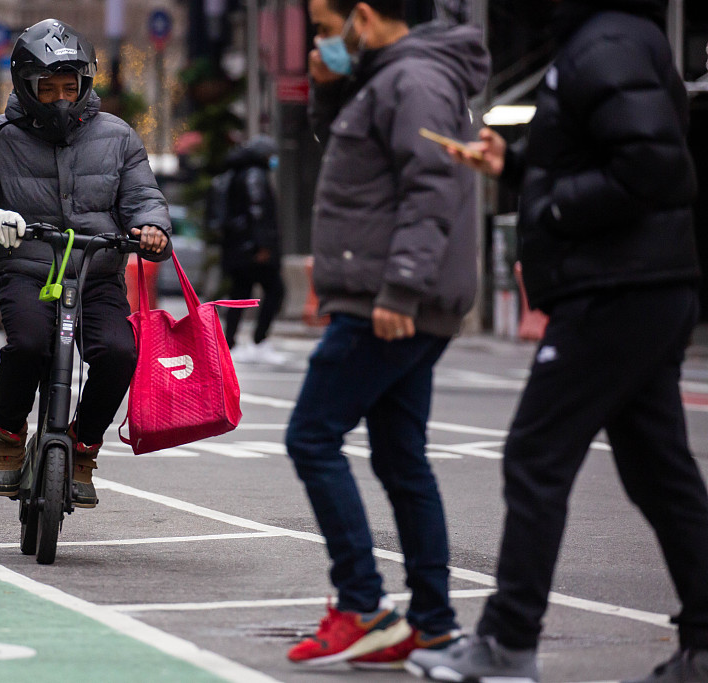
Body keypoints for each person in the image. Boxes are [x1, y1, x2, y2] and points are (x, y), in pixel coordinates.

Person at [406, 1, 708, 682]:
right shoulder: (607, 40)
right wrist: (515, 168)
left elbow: (658, 168)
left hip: (616, 290)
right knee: (662, 474)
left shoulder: (605, 44)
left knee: (536, 456)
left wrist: (549, 207)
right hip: (638, 284)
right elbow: (616, 158)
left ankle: (509, 643)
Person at [284, 0, 489, 668]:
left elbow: (432, 188)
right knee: (401, 458)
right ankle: (431, 624)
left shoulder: (413, 81)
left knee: (311, 436)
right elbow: (358, 168)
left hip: (388, 299)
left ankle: (362, 606)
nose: (317, 40)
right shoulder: (388, 78)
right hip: (387, 294)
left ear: (362, 18)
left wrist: (401, 287)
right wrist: (328, 86)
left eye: (322, 25)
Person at [0, 19, 171, 507]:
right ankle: (5, 442)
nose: (61, 98)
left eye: (71, 87)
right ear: (26, 86)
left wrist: (151, 229)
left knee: (119, 352)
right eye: (48, 88)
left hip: (97, 273)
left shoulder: (119, 135)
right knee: (26, 344)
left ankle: (84, 451)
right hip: (27, 270)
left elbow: (144, 198)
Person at [214, 135, 287, 365]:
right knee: (275, 290)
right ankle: (259, 340)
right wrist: (263, 245)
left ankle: (230, 344)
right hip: (253, 249)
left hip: (237, 248)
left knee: (239, 294)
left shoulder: (235, 173)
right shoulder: (255, 175)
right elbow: (258, 210)